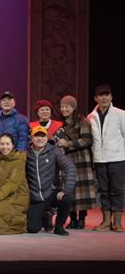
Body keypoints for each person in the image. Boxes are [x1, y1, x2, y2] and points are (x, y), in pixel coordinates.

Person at [86, 84, 125, 231]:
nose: (104, 97)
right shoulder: (91, 117)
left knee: (117, 190)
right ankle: (106, 221)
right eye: (100, 95)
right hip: (99, 158)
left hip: (117, 158)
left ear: (111, 97)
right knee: (103, 190)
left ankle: (117, 222)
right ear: (95, 98)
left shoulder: (120, 114)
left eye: (106, 94)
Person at [26, 125, 77, 235]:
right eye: (37, 136)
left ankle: (59, 226)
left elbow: (70, 168)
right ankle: (45, 216)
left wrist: (65, 190)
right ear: (31, 138)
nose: (40, 139)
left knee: (66, 198)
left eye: (43, 136)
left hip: (51, 193)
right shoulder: (26, 153)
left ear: (47, 137)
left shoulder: (54, 151)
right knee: (32, 228)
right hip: (36, 197)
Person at [57, 95, 96, 229]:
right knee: (69, 187)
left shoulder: (82, 121)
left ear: (73, 108)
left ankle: (82, 218)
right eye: (62, 106)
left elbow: (86, 140)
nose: (64, 109)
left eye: (67, 106)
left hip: (81, 158)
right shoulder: (60, 123)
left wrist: (68, 143)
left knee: (82, 188)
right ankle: (73, 218)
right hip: (67, 158)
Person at [0, 133, 29, 234]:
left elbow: (12, 183)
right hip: (2, 194)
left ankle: (20, 225)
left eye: (7, 144)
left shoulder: (19, 160)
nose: (5, 147)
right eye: (2, 144)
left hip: (17, 194)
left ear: (13, 145)